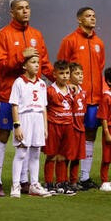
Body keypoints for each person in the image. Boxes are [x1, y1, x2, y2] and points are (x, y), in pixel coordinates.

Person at [0, 0, 53, 196]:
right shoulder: (3, 34)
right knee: (2, 136)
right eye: (20, 8)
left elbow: (44, 64)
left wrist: (60, 80)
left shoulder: (36, 34)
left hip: (31, 100)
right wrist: (21, 56)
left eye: (27, 7)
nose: (25, 11)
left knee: (29, 139)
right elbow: (1, 65)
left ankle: (26, 182)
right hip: (7, 95)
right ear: (12, 12)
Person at [56, 7, 105, 189]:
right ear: (79, 19)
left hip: (94, 99)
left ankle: (83, 177)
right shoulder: (69, 40)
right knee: (70, 137)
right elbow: (61, 66)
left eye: (94, 15)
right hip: (73, 99)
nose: (92, 18)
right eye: (88, 16)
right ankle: (64, 178)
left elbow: (100, 67)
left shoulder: (99, 42)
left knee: (90, 135)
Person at [9, 55, 51, 198]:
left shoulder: (42, 84)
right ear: (24, 66)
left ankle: (34, 184)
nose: (36, 65)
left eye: (38, 63)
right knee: (21, 152)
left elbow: (44, 107)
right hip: (25, 117)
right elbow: (14, 105)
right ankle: (15, 185)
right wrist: (17, 125)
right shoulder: (19, 82)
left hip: (38, 118)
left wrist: (45, 127)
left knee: (35, 153)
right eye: (33, 62)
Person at [43, 61, 76, 195]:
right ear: (54, 74)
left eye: (67, 73)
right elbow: (44, 108)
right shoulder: (50, 91)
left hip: (68, 125)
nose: (64, 76)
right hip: (54, 125)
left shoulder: (71, 89)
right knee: (51, 155)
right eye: (61, 73)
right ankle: (49, 183)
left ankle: (61, 182)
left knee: (64, 155)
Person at [68, 63, 87, 189]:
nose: (80, 76)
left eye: (81, 73)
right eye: (77, 73)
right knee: (67, 156)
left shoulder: (83, 91)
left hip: (81, 127)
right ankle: (62, 180)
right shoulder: (68, 90)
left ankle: (73, 181)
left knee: (77, 157)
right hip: (71, 128)